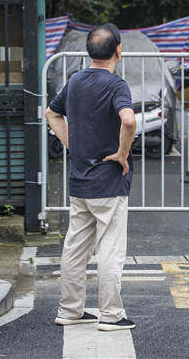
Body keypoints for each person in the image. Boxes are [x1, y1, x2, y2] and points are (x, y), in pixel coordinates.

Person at [45, 23, 137, 331]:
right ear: (118, 51)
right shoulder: (116, 85)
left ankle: (70, 310)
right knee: (109, 248)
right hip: (108, 182)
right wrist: (122, 155)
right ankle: (110, 315)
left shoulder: (75, 81)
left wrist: (72, 143)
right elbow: (128, 121)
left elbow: (51, 113)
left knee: (75, 247)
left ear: (89, 51)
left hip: (79, 181)